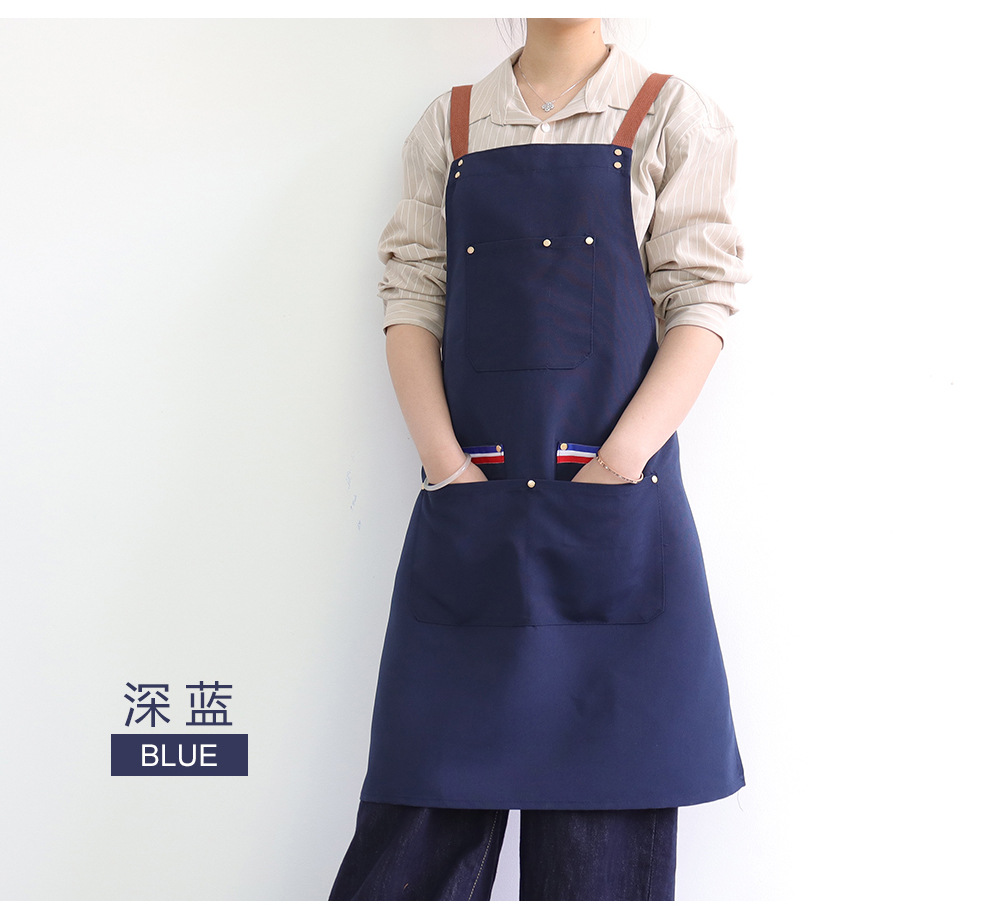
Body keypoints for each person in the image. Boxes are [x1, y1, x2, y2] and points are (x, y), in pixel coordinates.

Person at [329, 18, 749, 901]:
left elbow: (702, 298)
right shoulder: (451, 125)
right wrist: (445, 466)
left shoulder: (671, 115)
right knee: (408, 852)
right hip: (471, 519)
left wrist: (621, 461)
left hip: (614, 527)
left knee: (599, 868)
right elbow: (411, 293)